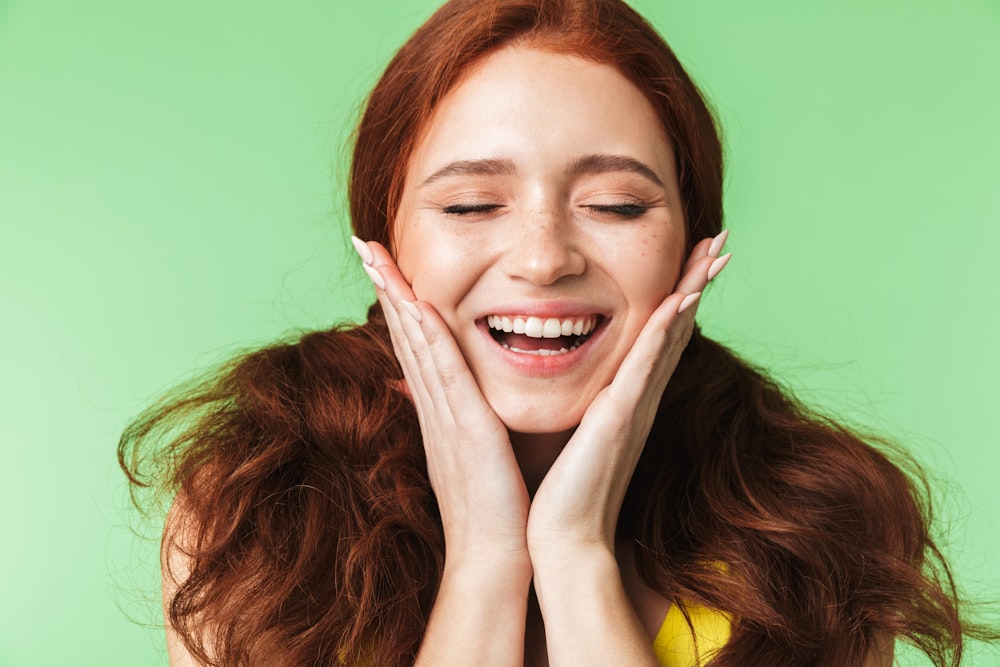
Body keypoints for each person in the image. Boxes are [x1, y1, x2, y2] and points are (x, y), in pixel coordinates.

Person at [119, 0, 989, 664]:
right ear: (384, 238)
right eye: (469, 204)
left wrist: (574, 555)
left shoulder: (814, 526)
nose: (542, 260)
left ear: (693, 237)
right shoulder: (255, 507)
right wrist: (487, 562)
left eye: (614, 204)